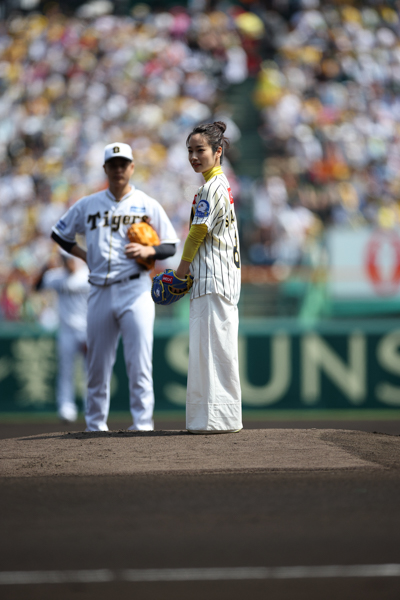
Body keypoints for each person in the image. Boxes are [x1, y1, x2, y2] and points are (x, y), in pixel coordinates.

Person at [51, 142, 179, 431]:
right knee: (97, 363)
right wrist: (83, 255)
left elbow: (170, 245)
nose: (119, 169)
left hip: (135, 289)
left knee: (139, 362)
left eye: (124, 164)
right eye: (114, 164)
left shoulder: (147, 203)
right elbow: (59, 233)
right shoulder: (88, 204)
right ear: (106, 168)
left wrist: (150, 252)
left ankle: (143, 423)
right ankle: (95, 424)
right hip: (98, 291)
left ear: (132, 168)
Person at [174, 121, 242, 433]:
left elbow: (198, 231)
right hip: (217, 280)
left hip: (212, 280)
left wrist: (180, 271)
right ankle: (210, 420)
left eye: (200, 150)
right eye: (190, 150)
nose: (193, 156)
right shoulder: (219, 184)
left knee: (212, 353)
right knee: (214, 352)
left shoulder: (211, 187)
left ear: (218, 151)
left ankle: (218, 421)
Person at [36, 251, 90, 423]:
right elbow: (37, 287)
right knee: (66, 371)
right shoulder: (56, 276)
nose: (70, 263)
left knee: (91, 372)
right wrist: (46, 264)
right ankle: (66, 407)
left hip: (87, 330)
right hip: (66, 330)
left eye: (72, 260)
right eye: (67, 260)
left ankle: (93, 407)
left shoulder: (88, 275)